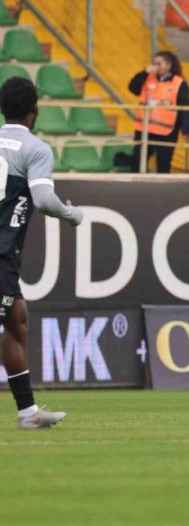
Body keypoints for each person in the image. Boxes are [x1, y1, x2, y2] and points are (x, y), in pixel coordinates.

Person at [0, 77, 83, 429]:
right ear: (35, 111)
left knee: (17, 320)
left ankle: (27, 412)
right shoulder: (34, 149)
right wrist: (73, 215)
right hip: (1, 249)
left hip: (6, 253)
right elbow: (45, 200)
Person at [128, 51, 189, 174]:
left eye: (159, 63)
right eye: (154, 63)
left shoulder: (179, 83)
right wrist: (144, 72)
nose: (155, 66)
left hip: (167, 131)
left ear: (168, 65)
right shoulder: (147, 78)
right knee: (137, 161)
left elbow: (185, 107)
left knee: (163, 164)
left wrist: (185, 129)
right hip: (145, 128)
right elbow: (133, 88)